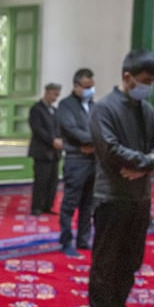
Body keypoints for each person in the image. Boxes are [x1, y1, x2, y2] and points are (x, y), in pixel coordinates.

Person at [87, 50, 154, 307]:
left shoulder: (145, 109)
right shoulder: (104, 108)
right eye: (145, 80)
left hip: (140, 197)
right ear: (127, 77)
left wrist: (147, 165)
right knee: (106, 260)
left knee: (131, 259)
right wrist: (149, 164)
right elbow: (110, 151)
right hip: (112, 196)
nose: (149, 85)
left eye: (153, 80)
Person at [57, 68, 98, 257]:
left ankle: (83, 240)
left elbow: (102, 129)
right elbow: (72, 130)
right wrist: (94, 140)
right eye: (86, 86)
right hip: (76, 161)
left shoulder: (94, 105)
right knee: (69, 205)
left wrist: (94, 142)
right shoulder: (66, 105)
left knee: (88, 205)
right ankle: (66, 242)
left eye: (92, 86)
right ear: (75, 86)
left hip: (93, 161)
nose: (90, 90)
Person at [27, 82, 63, 216]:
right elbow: (38, 129)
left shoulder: (55, 110)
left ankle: (48, 206)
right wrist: (52, 141)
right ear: (47, 92)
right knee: (41, 181)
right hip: (42, 152)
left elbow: (59, 128)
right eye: (54, 94)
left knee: (52, 182)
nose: (55, 98)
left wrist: (60, 140)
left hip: (55, 153)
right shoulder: (36, 109)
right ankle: (37, 207)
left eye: (57, 95)